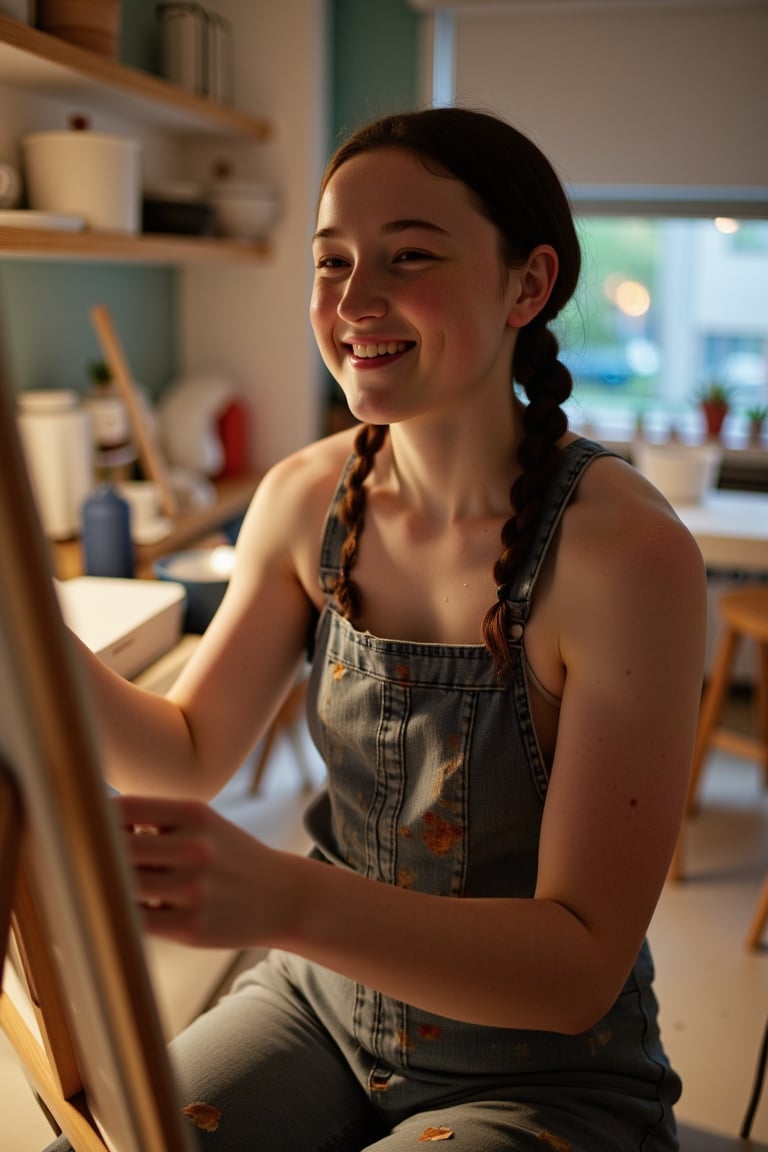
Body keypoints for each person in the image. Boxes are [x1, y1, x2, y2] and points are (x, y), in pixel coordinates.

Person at [49, 107, 707, 1151]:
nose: (354, 301)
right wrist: (27, 641)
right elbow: (184, 756)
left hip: (547, 1075)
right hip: (322, 1007)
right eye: (332, 261)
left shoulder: (628, 557)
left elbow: (580, 966)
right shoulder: (305, 495)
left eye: (409, 256)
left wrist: (281, 897)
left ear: (526, 287)